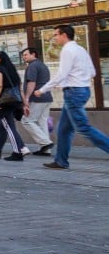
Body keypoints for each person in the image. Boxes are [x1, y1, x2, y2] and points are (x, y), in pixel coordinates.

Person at [34, 24, 109, 169]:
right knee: (64, 129)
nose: (54, 38)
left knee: (83, 128)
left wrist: (42, 90)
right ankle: (61, 161)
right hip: (82, 90)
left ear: (64, 35)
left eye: (55, 34)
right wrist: (77, 78)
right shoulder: (81, 49)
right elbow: (92, 72)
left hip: (73, 92)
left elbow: (61, 74)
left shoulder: (67, 50)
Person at [0, 51, 30, 161]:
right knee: (3, 127)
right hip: (14, 101)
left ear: (1, 59)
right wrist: (24, 103)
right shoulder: (11, 70)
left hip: (3, 103)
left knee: (9, 127)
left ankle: (17, 152)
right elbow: (19, 88)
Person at [20, 46, 54, 155]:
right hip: (47, 98)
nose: (23, 57)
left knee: (26, 120)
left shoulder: (32, 66)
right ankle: (46, 150)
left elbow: (32, 83)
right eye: (23, 55)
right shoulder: (42, 65)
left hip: (37, 98)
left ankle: (45, 143)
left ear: (33, 54)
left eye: (26, 55)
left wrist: (26, 98)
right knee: (42, 122)